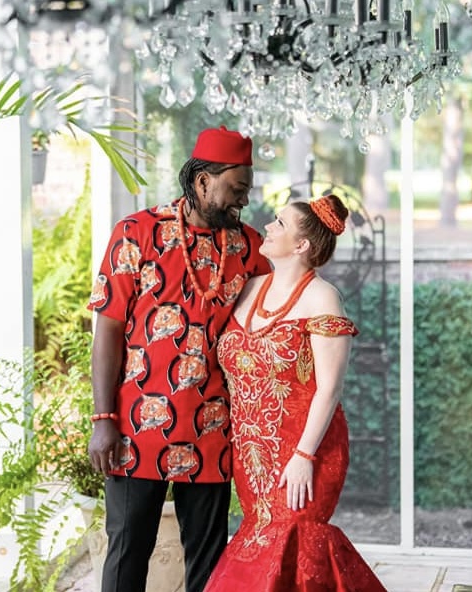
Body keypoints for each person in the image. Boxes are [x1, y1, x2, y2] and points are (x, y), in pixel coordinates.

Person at [86, 125, 273, 592]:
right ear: (203, 181)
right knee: (127, 554)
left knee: (209, 567)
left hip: (212, 432)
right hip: (135, 431)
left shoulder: (250, 248)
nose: (243, 200)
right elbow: (107, 330)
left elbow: (268, 328)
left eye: (247, 190)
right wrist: (103, 420)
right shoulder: (136, 233)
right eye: (237, 188)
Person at [203, 194, 388, 592]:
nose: (267, 227)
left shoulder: (323, 297)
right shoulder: (248, 287)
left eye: (280, 223)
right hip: (251, 453)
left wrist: (304, 456)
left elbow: (330, 388)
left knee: (295, 537)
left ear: (302, 245)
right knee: (263, 533)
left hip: (306, 451)